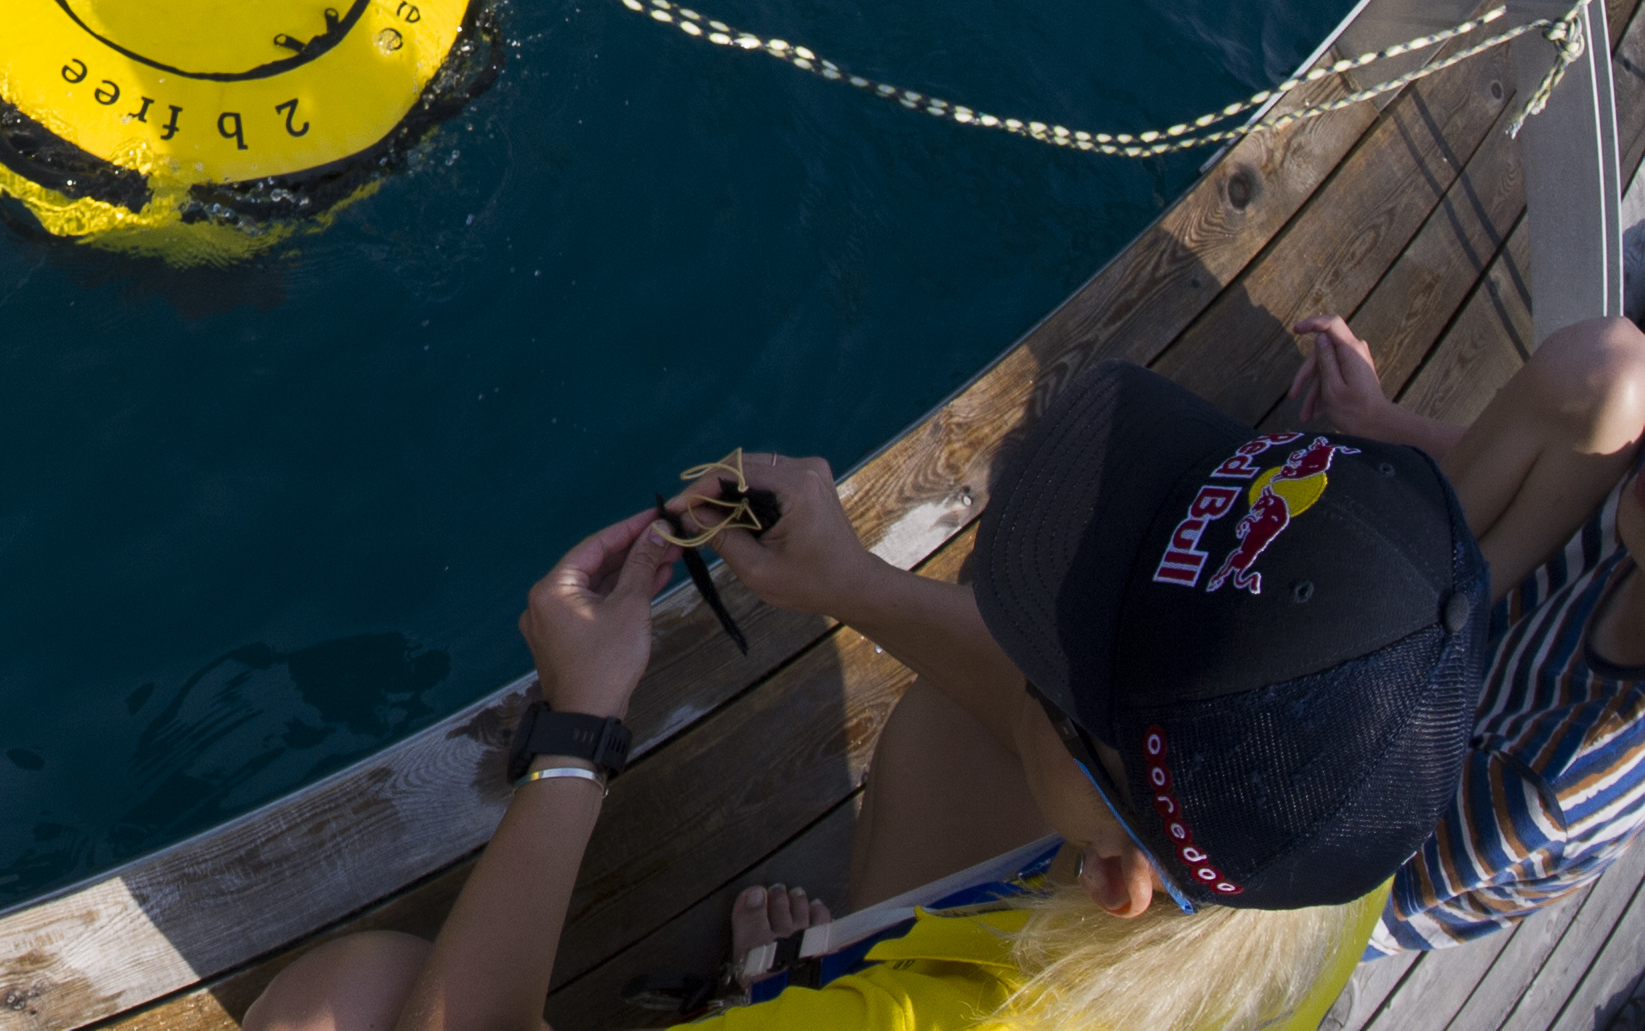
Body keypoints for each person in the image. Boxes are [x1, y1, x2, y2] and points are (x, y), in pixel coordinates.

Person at [249, 360, 1487, 1031]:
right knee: (966, 721)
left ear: (1122, 877)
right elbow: (1034, 717)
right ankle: (795, 962)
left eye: (1065, 668)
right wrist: (849, 580)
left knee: (345, 998)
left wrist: (576, 730)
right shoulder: (1338, 810)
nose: (1023, 634)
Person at [1276, 308, 1645, 957]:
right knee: (1612, 370)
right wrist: (1380, 422)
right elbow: (1569, 457)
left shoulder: (1550, 781)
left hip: (1328, 871)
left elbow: (1319, 896)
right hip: (1446, 650)